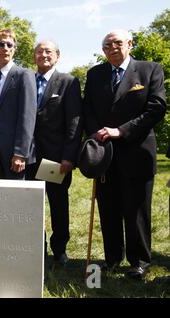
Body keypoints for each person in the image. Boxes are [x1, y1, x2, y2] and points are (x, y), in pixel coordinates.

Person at [83, 29, 167, 279]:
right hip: (104, 155)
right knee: (108, 209)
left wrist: (121, 131)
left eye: (118, 43)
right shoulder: (95, 74)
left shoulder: (150, 69)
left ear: (130, 44)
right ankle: (111, 259)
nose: (112, 48)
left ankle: (139, 261)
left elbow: (156, 107)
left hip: (137, 152)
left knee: (137, 210)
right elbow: (87, 108)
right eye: (107, 44)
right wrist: (95, 131)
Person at [25, 40, 83, 266]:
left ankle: (59, 249)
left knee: (57, 203)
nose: (43, 55)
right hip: (28, 156)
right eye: (39, 52)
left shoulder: (67, 82)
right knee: (32, 204)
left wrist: (69, 156)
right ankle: (37, 248)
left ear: (57, 56)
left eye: (48, 51)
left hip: (55, 158)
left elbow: (75, 121)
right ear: (34, 57)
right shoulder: (26, 80)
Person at [0, 29, 37, 180]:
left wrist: (20, 153)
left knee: (17, 201)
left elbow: (27, 117)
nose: (6, 48)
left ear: (14, 49)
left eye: (10, 45)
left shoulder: (24, 75)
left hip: (15, 155)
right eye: (1, 44)